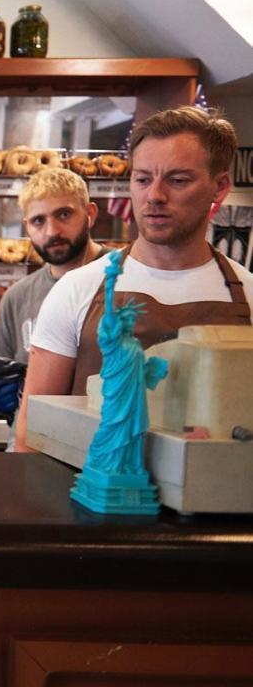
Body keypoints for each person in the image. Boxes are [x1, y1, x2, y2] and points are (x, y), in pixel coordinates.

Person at [15, 106, 253, 451]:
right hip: (85, 496)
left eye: (177, 180)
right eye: (142, 179)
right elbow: (31, 434)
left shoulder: (247, 294)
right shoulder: (77, 289)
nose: (154, 195)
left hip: (215, 498)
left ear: (219, 187)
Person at [0, 167, 107, 364]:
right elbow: (4, 384)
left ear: (90, 214)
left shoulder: (125, 277)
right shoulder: (16, 299)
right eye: (38, 221)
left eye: (64, 215)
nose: (52, 231)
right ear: (27, 227)